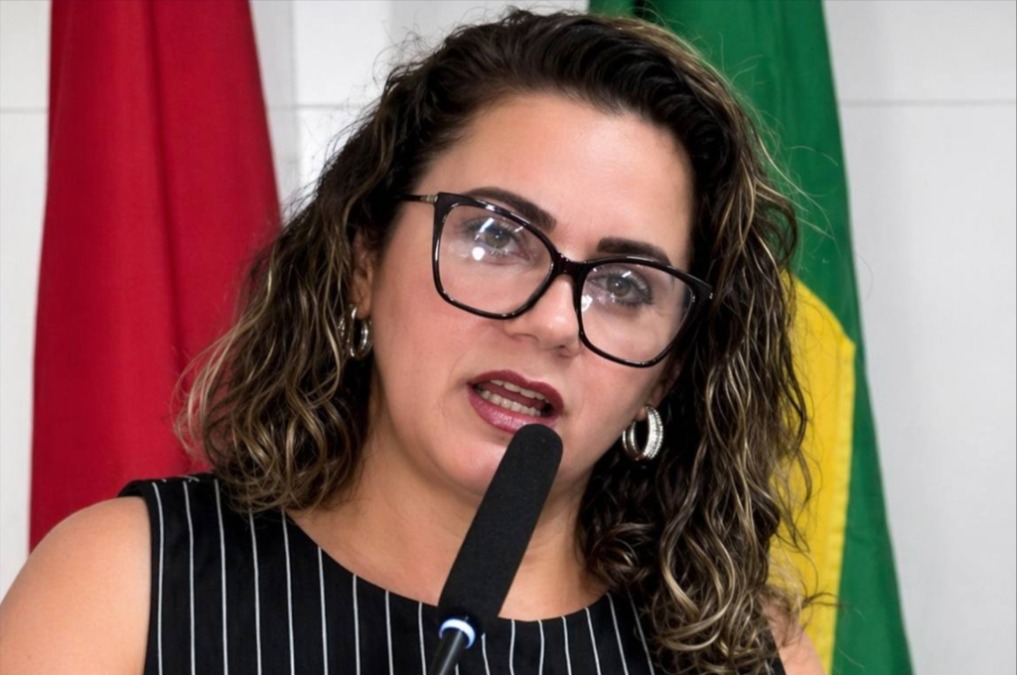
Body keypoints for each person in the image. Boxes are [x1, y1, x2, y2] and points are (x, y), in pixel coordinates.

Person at [0, 10, 824, 675]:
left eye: (625, 286)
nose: (549, 321)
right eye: (496, 237)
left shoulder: (746, 654)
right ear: (363, 260)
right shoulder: (129, 585)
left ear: (667, 370)